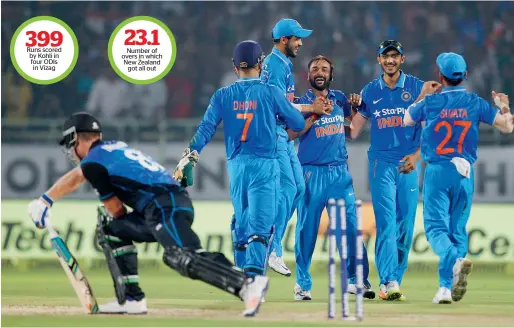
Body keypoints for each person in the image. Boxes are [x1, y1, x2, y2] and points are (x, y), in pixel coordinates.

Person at [27, 112, 269, 317]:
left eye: (71, 145)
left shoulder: (94, 162)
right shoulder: (112, 149)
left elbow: (115, 208)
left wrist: (110, 210)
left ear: (77, 139)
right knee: (111, 230)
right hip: (166, 204)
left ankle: (248, 283)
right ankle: (132, 300)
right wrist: (45, 200)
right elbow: (78, 177)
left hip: (164, 204)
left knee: (181, 256)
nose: (71, 152)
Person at [174, 40, 329, 289]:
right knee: (261, 225)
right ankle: (254, 283)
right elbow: (297, 124)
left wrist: (190, 155)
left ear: (235, 67)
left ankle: (241, 275)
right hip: (264, 164)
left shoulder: (222, 95)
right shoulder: (270, 92)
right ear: (260, 64)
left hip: (236, 166)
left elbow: (205, 129)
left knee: (242, 220)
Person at [404, 52, 513, 304]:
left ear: (439, 76)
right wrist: (503, 105)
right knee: (457, 228)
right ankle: (445, 287)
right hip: (465, 172)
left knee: (434, 229)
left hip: (437, 171)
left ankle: (453, 261)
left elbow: (406, 118)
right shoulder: (475, 102)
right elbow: (507, 126)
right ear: (464, 76)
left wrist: (423, 95)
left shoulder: (431, 103)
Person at [348, 40, 429, 301]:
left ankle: (395, 278)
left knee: (405, 226)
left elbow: (430, 129)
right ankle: (388, 281)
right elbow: (353, 130)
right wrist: (347, 110)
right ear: (379, 60)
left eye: (395, 56)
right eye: (386, 56)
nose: (390, 60)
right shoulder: (370, 91)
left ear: (402, 59)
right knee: (386, 224)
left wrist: (417, 156)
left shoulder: (417, 87)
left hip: (408, 164)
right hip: (380, 163)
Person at [290, 55, 376, 301]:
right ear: (308, 76)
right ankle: (303, 285)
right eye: (315, 68)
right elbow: (291, 134)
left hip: (339, 173)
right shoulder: (301, 103)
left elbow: (353, 132)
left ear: (330, 75)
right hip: (310, 173)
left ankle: (356, 280)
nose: (319, 71)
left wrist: (360, 106)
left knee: (349, 228)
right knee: (307, 230)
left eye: (324, 69)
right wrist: (314, 115)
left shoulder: (339, 99)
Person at [260, 18, 315, 276]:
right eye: (297, 39)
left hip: (281, 134)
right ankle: (272, 248)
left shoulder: (281, 64)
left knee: (299, 187)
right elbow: (279, 105)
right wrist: (311, 108)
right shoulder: (275, 64)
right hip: (273, 133)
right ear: (284, 40)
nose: (300, 43)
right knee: (290, 187)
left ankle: (272, 243)